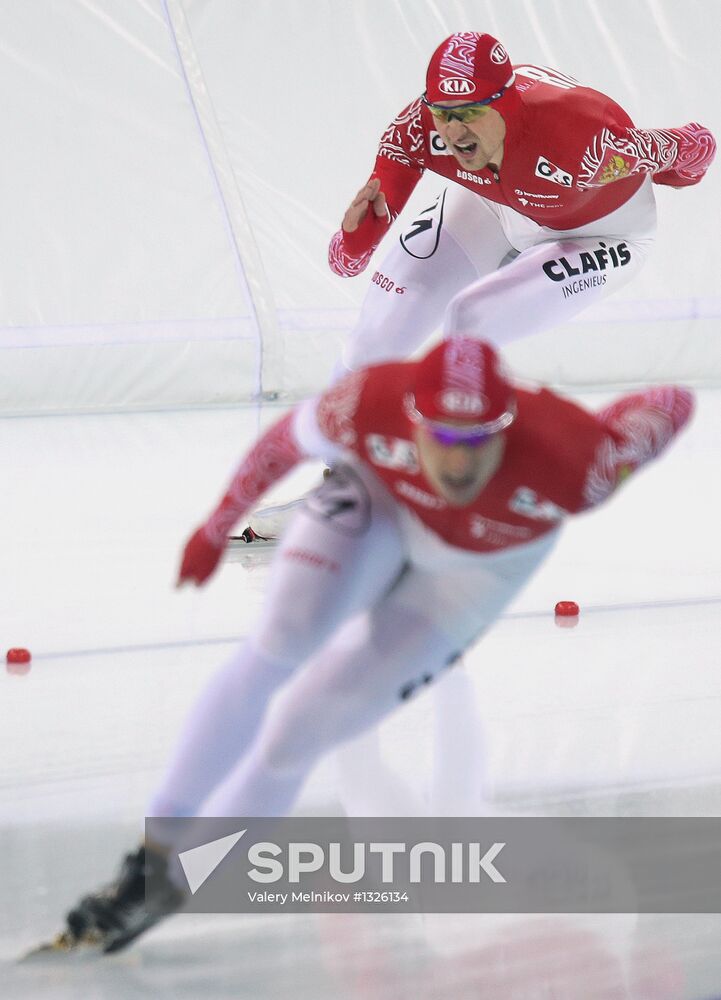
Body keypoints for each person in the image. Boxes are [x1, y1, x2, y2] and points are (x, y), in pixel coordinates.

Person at [49, 336, 693, 954]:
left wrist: (599, 430)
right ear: (411, 419)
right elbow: (282, 445)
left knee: (297, 734)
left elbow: (673, 402)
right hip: (381, 504)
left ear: (508, 427)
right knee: (279, 643)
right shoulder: (366, 400)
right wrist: (215, 528)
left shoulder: (579, 462)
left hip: (477, 571)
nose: (460, 463)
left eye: (478, 441)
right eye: (442, 438)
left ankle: (175, 885)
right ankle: (152, 857)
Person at [330, 32, 715, 374]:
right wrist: (352, 241)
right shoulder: (418, 127)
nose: (453, 131)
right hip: (494, 207)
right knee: (374, 341)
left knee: (471, 319)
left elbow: (696, 145)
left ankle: (460, 450)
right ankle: (338, 452)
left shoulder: (584, 146)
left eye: (470, 113)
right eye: (443, 114)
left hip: (604, 233)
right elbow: (345, 263)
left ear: (507, 105)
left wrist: (682, 176)